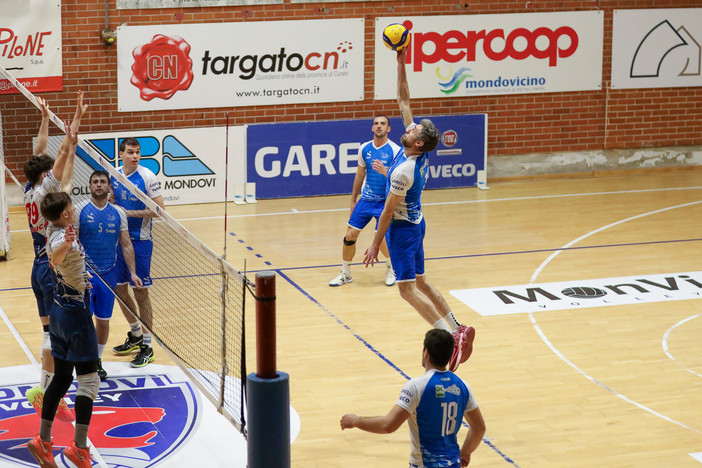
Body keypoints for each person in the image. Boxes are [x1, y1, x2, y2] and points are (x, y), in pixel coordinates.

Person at [362, 47, 474, 372]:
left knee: (407, 290)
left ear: (418, 143)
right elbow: (404, 101)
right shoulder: (415, 154)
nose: (408, 126)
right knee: (422, 282)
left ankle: (450, 339)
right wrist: (400, 62)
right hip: (418, 223)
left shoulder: (404, 171)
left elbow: (385, 213)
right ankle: (459, 327)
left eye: (412, 130)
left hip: (404, 231)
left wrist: (374, 244)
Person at [27, 125, 98, 468]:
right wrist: (67, 244)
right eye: (70, 206)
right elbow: (55, 255)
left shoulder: (54, 218)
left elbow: (65, 182)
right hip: (74, 313)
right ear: (66, 214)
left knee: (62, 378)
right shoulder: (59, 236)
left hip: (59, 309)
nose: (72, 204)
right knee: (89, 379)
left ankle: (43, 440)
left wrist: (71, 140)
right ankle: (78, 448)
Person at [23, 92, 87, 422]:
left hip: (36, 265)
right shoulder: (48, 191)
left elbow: (40, 154)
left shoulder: (30, 190)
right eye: (48, 170)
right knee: (54, 336)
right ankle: (46, 389)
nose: (52, 168)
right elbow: (59, 154)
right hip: (50, 267)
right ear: (44, 176)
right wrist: (73, 126)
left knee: (49, 331)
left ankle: (46, 387)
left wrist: (46, 120)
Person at [340, 329, 486, 467]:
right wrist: (466, 452)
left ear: (426, 353)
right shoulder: (463, 386)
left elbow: (388, 425)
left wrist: (356, 421)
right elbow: (479, 428)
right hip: (453, 464)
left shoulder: (417, 386)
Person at [76, 170, 143, 381]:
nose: (98, 185)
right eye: (95, 181)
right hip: (86, 276)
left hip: (108, 275)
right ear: (89, 186)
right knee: (84, 322)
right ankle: (83, 360)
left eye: (102, 182)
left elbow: (126, 244)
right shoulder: (79, 210)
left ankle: (96, 361)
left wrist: (132, 272)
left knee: (103, 322)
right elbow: (74, 244)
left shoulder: (118, 213)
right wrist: (76, 270)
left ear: (109, 187)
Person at [110, 137, 165, 367]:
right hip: (118, 241)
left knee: (141, 293)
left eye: (138, 152)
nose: (135, 156)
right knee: (119, 289)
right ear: (121, 154)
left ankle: (148, 346)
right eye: (130, 152)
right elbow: (113, 201)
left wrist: (126, 214)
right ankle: (135, 334)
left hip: (140, 242)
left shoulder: (148, 177)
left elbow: (159, 211)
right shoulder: (114, 174)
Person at [329, 115, 400, 287]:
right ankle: (345, 273)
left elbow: (399, 178)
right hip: (366, 200)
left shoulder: (396, 150)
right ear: (372, 128)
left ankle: (391, 268)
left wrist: (385, 171)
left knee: (380, 238)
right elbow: (360, 174)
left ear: (388, 129)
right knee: (349, 236)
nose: (379, 126)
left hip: (385, 201)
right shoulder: (364, 148)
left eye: (383, 124)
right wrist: (353, 199)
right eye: (376, 124)